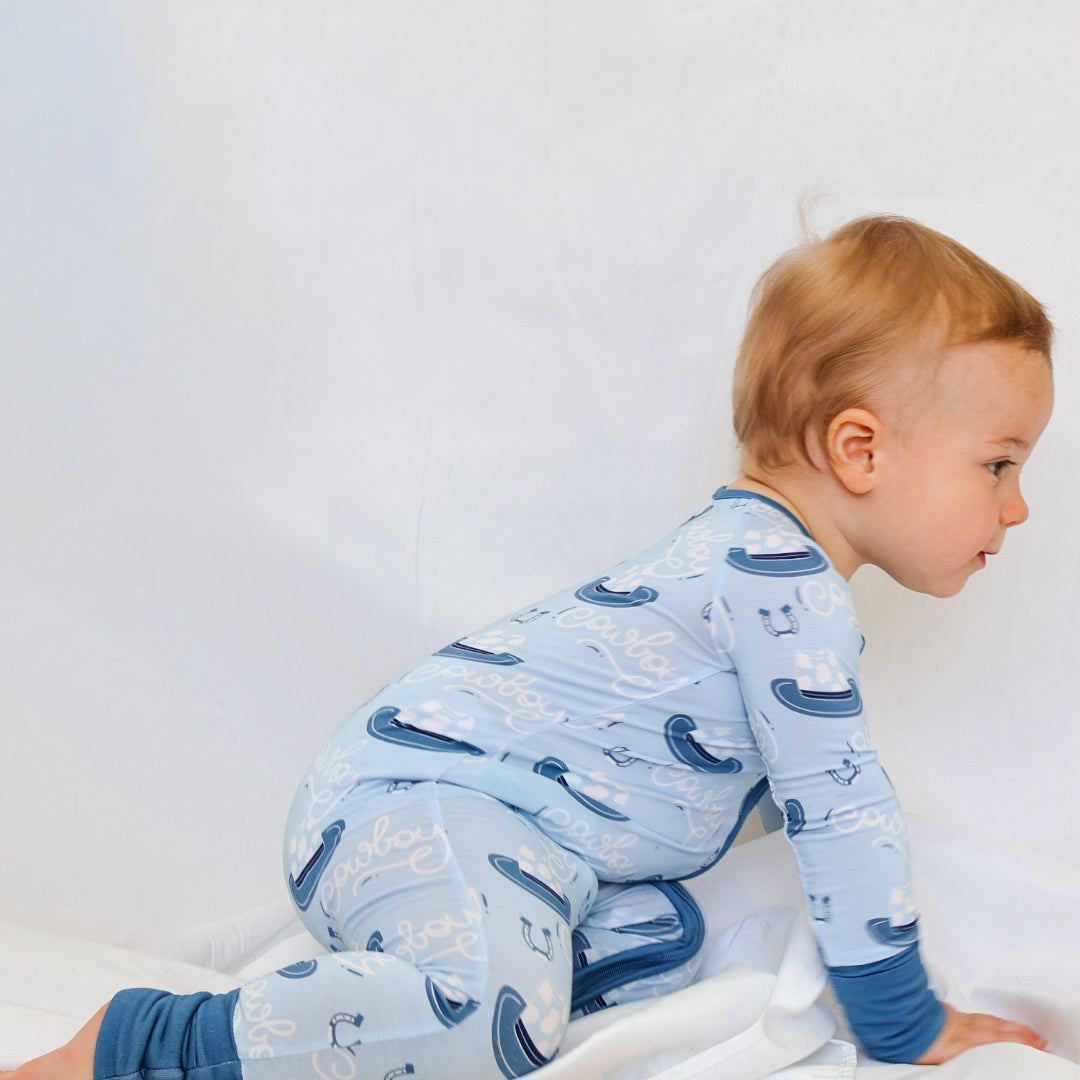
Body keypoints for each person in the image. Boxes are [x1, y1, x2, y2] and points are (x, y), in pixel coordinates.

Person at [4, 216, 1054, 1080]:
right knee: (481, 1027)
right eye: (998, 464)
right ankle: (137, 1045)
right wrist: (904, 1023)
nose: (1014, 510)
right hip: (419, 800)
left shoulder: (756, 564)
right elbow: (842, 808)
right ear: (859, 448)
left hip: (489, 824)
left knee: (655, 944)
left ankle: (514, 959)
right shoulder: (778, 587)